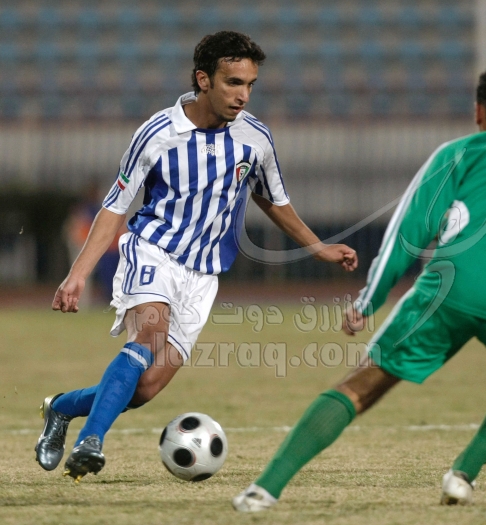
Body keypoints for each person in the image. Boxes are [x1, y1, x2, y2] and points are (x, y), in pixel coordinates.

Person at [233, 66, 486, 511]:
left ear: (479, 111)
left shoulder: (460, 151)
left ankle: (264, 490)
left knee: (361, 386)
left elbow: (407, 233)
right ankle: (464, 474)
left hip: (452, 290)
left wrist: (368, 301)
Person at [35, 31, 358, 483]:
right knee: (148, 338)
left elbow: (273, 199)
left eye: (250, 85)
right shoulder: (157, 133)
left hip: (203, 276)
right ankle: (91, 440)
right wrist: (78, 275)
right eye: (233, 83)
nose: (243, 95)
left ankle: (61, 408)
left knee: (144, 389)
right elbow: (114, 207)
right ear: (204, 80)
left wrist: (318, 247)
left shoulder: (255, 138)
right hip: (154, 251)